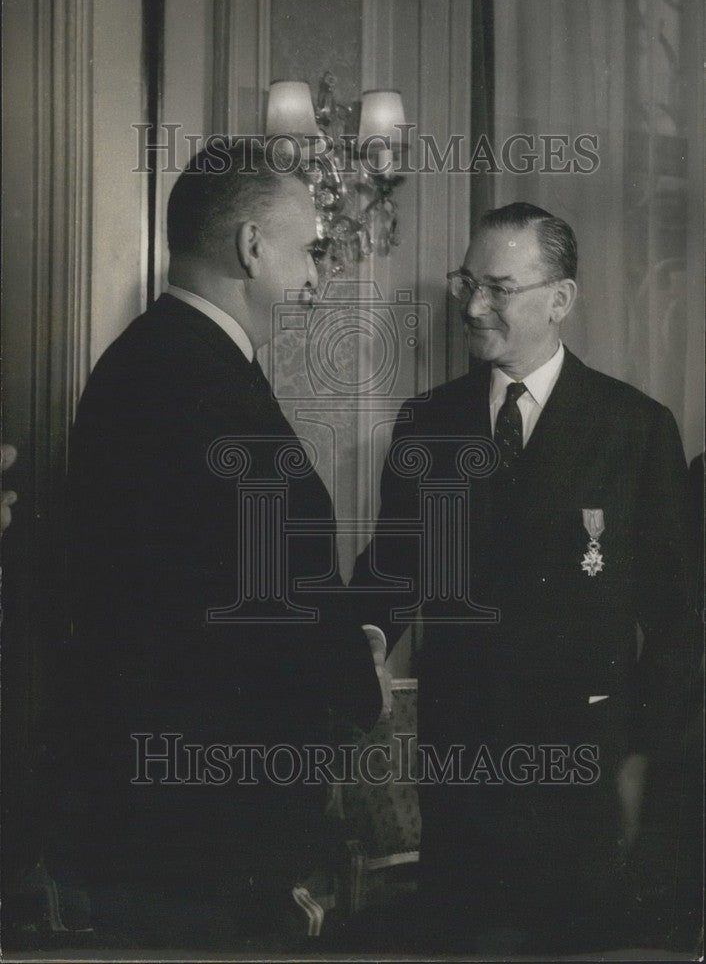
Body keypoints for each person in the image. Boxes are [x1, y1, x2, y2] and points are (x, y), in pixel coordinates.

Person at [54, 140, 383, 942]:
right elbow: (261, 604)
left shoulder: (158, 361)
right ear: (250, 247)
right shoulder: (198, 383)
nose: (315, 278)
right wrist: (355, 665)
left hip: (165, 811)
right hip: (205, 830)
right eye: (309, 251)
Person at [353, 202, 696, 953]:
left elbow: (679, 620)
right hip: (461, 773)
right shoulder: (429, 423)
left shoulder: (635, 428)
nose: (473, 306)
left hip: (584, 778)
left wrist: (641, 757)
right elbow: (392, 570)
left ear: (559, 300)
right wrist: (363, 641)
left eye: (498, 288)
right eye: (468, 283)